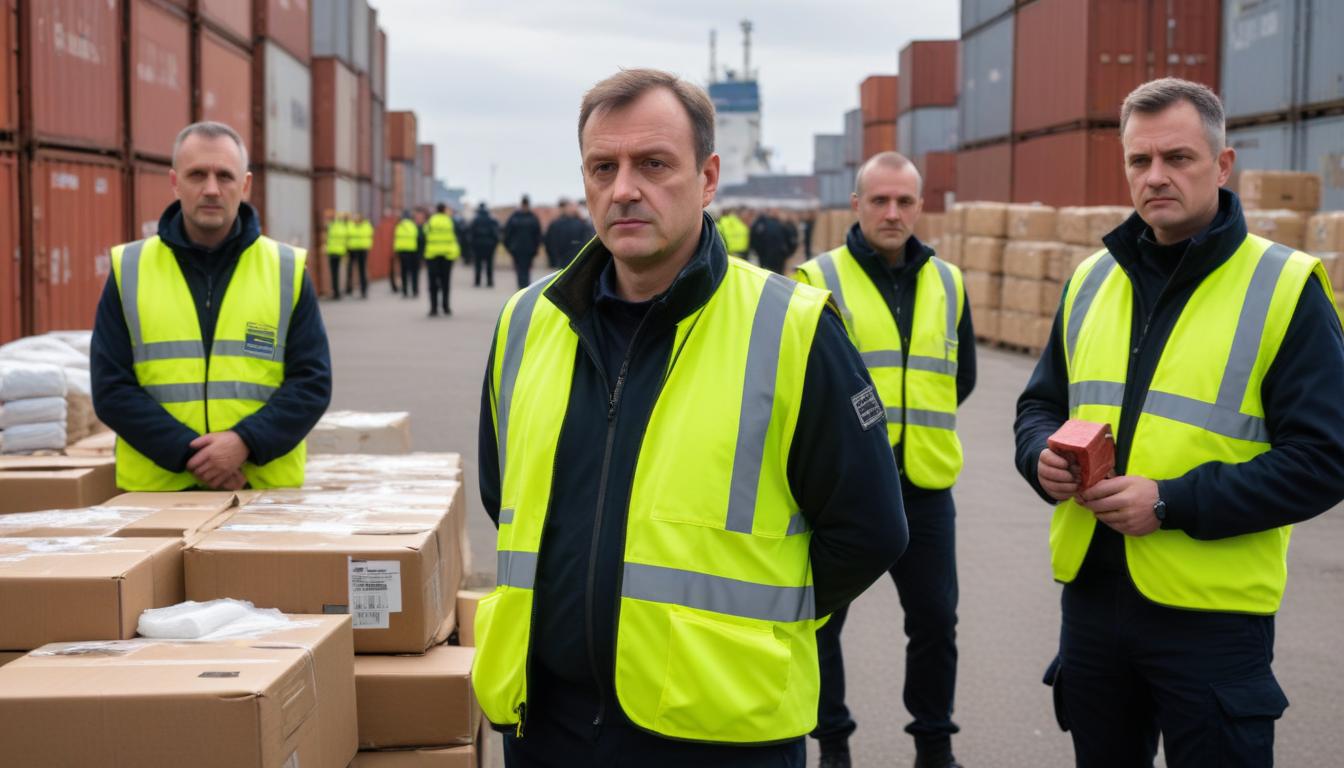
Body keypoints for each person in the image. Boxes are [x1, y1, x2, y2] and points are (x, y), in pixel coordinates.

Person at [475, 67, 908, 767]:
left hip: (720, 733)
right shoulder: (527, 323)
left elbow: (869, 530)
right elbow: (508, 499)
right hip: (545, 723)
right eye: (602, 166)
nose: (624, 189)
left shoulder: (792, 327)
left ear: (708, 179)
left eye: (653, 164)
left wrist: (740, 628)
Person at [1014, 78, 1344, 768]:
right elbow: (1039, 404)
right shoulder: (1089, 280)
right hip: (1094, 607)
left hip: (1213, 621)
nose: (1156, 177)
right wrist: (1037, 454)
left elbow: (1325, 459)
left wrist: (1170, 501)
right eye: (1140, 161)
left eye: (1178, 158)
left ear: (1223, 167)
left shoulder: (1286, 287)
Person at [794, 151, 976, 768]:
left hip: (924, 486)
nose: (892, 212)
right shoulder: (816, 279)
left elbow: (962, 376)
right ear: (856, 205)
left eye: (904, 201)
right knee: (818, 624)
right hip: (840, 490)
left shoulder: (949, 283)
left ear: (920, 206)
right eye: (879, 200)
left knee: (934, 623)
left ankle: (934, 746)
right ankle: (833, 745)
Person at [90, 121, 331, 491]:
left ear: (246, 184)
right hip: (158, 494)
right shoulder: (130, 269)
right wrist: (192, 455)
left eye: (225, 176)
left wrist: (244, 443)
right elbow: (111, 388)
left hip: (262, 491)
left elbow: (311, 383)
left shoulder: (285, 270)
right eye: (197, 174)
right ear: (175, 182)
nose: (212, 189)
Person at [423, 203, 460, 316]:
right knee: (445, 282)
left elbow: (425, 233)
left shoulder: (431, 221)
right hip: (447, 255)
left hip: (432, 255)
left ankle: (433, 308)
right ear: (444, 210)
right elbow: (455, 236)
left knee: (433, 283)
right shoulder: (450, 221)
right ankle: (446, 307)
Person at [543, 196, 596, 269]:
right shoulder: (581, 224)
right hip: (575, 259)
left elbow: (549, 242)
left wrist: (552, 259)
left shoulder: (555, 223)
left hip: (562, 260)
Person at [503, 195, 544, 288]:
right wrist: (536, 248)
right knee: (526, 269)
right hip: (528, 249)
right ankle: (525, 286)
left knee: (520, 269)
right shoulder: (533, 218)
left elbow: (507, 233)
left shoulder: (514, 217)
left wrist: (508, 246)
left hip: (517, 248)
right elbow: (538, 235)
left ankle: (522, 286)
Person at [748, 208, 794, 274]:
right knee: (777, 276)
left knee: (767, 275)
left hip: (770, 257)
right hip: (774, 257)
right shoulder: (780, 224)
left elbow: (754, 238)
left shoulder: (779, 224)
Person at [470, 202, 501, 288]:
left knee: (478, 265)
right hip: (489, 246)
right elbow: (496, 233)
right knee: (489, 264)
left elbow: (471, 234)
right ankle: (489, 282)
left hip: (478, 246)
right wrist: (495, 244)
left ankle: (477, 281)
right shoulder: (491, 220)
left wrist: (472, 245)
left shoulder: (475, 220)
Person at [345, 212, 373, 299]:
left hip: (362, 250)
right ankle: (349, 288)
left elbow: (369, 234)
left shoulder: (366, 225)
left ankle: (364, 290)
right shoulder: (350, 225)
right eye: (355, 218)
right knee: (350, 269)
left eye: (357, 217)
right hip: (352, 249)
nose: (356, 219)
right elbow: (347, 235)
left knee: (362, 271)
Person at [394, 210, 421, 298]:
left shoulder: (399, 226)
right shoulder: (414, 226)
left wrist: (396, 251)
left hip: (402, 252)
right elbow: (418, 238)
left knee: (404, 272)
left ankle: (405, 291)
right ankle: (415, 291)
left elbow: (396, 239)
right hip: (413, 252)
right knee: (414, 273)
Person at [324, 210, 348, 300]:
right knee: (335, 273)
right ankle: (336, 291)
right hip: (336, 252)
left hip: (335, 252)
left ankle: (336, 292)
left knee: (335, 273)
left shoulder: (332, 226)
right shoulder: (339, 226)